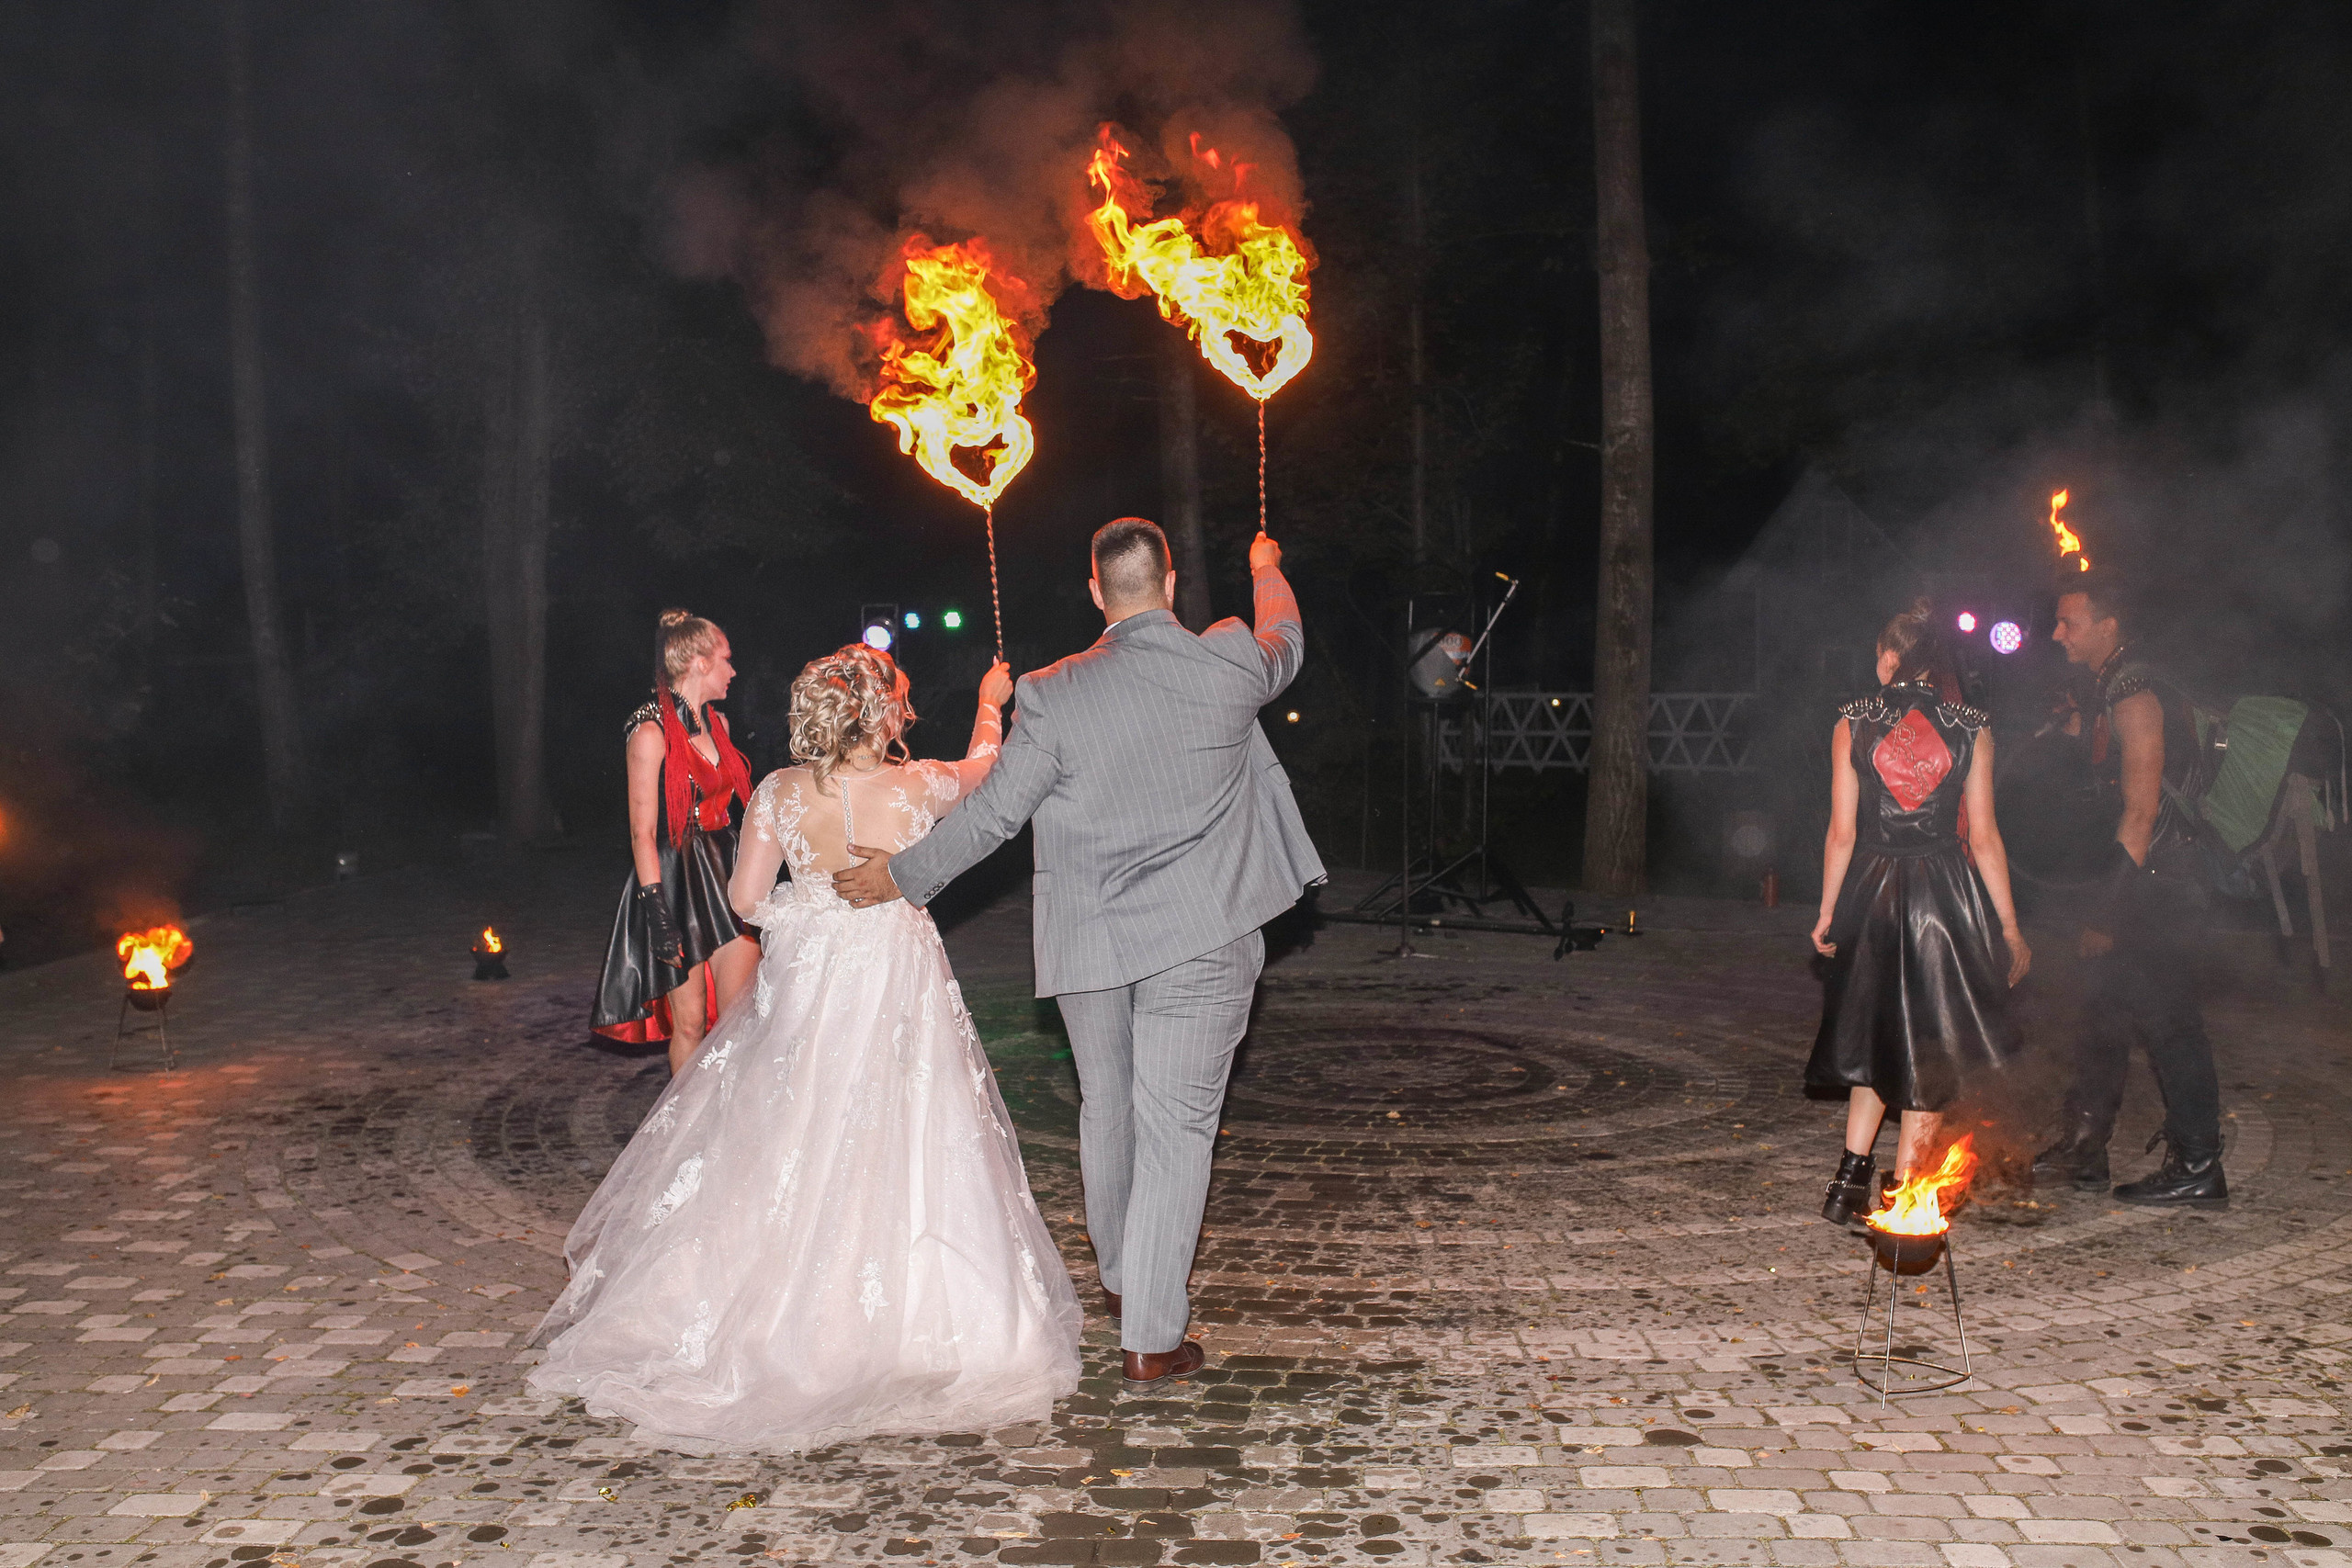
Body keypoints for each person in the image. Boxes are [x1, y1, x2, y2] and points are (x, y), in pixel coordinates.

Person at [531, 646, 1082, 1451]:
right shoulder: (917, 783)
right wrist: (994, 700)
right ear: (882, 713)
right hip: (897, 977)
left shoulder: (779, 791)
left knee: (791, 1125)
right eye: (900, 696)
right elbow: (986, 768)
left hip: (811, 982)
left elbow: (746, 900)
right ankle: (923, 1324)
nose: (907, 708)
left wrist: (815, 901)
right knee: (910, 1121)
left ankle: (755, 1316)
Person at [832, 519, 1324, 1391]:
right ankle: (1152, 1335)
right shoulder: (1229, 658)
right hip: (1202, 937)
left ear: (1096, 594)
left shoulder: (1053, 692)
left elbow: (991, 821)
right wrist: (1267, 567)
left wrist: (901, 877)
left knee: (1109, 1109)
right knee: (1176, 1128)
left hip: (1093, 942)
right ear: (1169, 582)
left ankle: (1128, 1285)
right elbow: (1286, 636)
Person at [1808, 598, 2030, 1225]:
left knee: (1880, 1036)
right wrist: (2010, 926)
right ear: (1934, 667)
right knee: (1928, 1047)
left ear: (1888, 658)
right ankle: (1904, 1195)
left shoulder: (1852, 722)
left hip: (1874, 892)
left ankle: (1847, 1183)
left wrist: (1826, 912)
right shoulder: (1972, 725)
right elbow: (1983, 837)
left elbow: (1841, 833)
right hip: (1943, 895)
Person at [2030, 575, 2227, 1206]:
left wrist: (2107, 913)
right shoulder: (2110, 686)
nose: (2057, 632)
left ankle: (2199, 1163)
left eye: (2070, 622)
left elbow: (2141, 811)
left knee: (2170, 1022)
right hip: (2143, 878)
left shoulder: (2136, 689)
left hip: (2162, 883)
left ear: (2108, 626)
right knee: (2103, 1012)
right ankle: (2085, 1149)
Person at [590, 609, 761, 1076]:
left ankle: (735, 1126)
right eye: (726, 659)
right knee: (689, 1027)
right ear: (700, 663)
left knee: (740, 1021)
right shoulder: (649, 732)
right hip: (675, 881)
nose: (733, 670)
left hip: (726, 875)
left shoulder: (718, 725)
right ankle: (688, 1134)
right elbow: (641, 833)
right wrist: (657, 915)